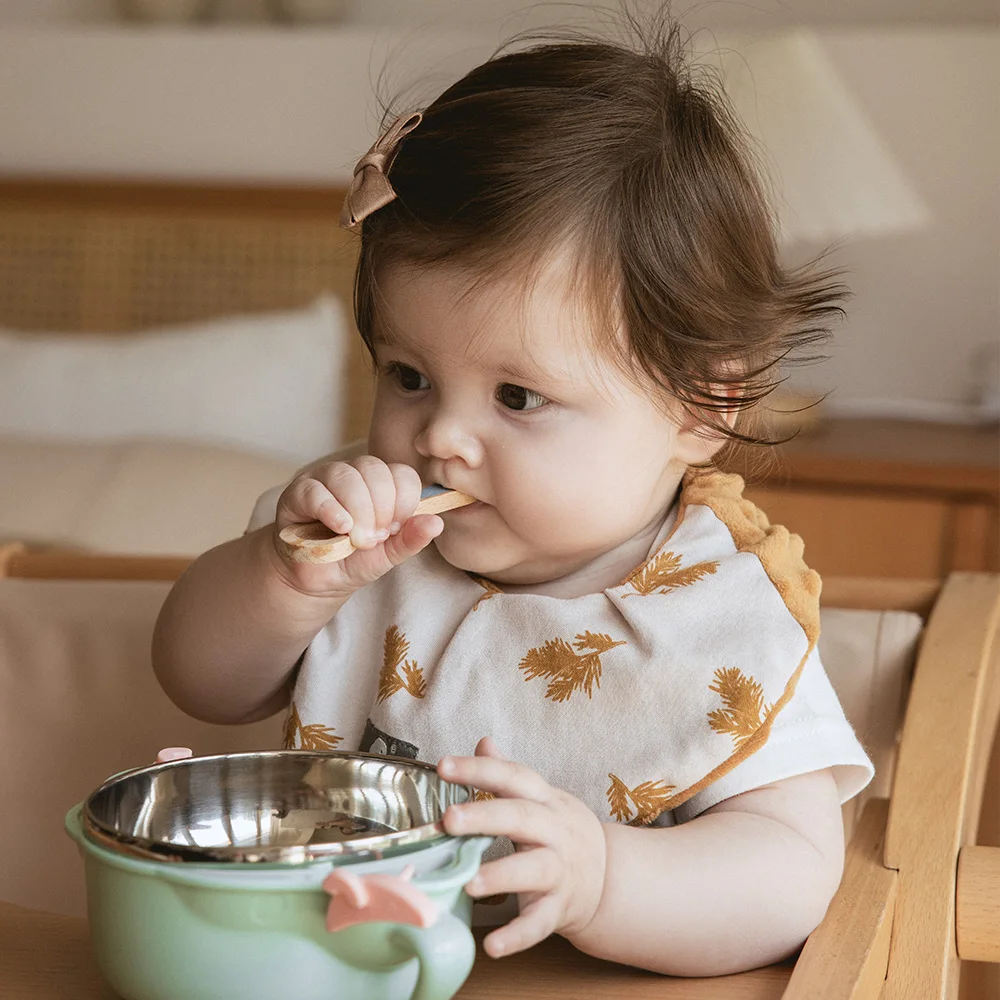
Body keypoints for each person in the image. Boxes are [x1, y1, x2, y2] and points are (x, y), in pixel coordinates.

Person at [153, 13, 873, 977]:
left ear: (705, 404)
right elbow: (197, 678)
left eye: (519, 396)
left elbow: (790, 874)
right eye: (408, 375)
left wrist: (607, 878)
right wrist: (286, 584)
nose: (441, 437)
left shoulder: (722, 617)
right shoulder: (356, 537)